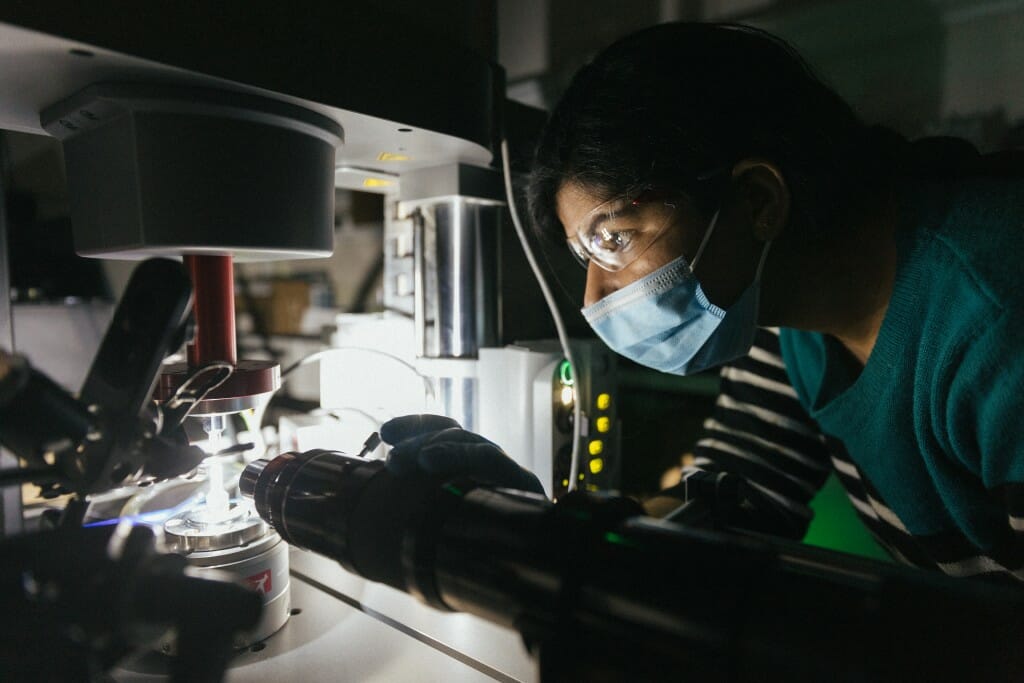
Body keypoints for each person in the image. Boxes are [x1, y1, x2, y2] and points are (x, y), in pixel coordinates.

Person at [382, 22, 1024, 584]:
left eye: (614, 240)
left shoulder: (994, 324)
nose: (594, 298)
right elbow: (736, 497)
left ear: (757, 201)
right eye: (587, 258)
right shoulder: (786, 316)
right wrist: (544, 526)